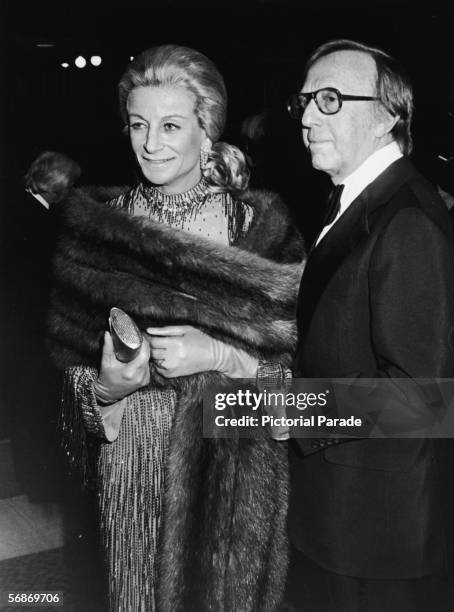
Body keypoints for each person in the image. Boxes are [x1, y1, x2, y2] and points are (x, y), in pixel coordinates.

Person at [48, 45, 304, 612]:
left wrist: (218, 353)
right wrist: (110, 387)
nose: (151, 143)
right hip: (133, 462)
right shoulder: (97, 233)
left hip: (233, 469)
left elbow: (301, 382)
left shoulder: (259, 231)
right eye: (139, 125)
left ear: (206, 130)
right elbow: (68, 385)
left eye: (170, 125)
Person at [285, 39, 454, 611]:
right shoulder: (360, 202)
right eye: (305, 101)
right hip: (349, 515)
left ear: (386, 117)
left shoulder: (407, 220)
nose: (307, 117)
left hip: (376, 533)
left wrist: (294, 412)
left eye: (329, 99)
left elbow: (420, 399)